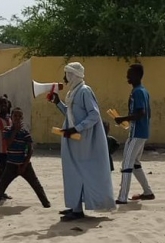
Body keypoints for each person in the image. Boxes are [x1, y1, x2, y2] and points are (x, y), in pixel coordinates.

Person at [51, 62, 115, 221]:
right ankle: (75, 206)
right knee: (72, 172)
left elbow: (94, 115)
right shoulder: (73, 93)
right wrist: (58, 102)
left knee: (80, 171)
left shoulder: (85, 91)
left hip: (84, 141)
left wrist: (77, 129)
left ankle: (78, 210)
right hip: (73, 140)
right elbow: (70, 114)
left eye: (66, 74)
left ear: (73, 75)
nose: (64, 78)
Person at [0, 107, 51, 208]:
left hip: (25, 165)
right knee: (1, 186)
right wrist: (15, 131)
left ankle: (46, 204)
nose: (17, 118)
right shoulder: (7, 130)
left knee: (36, 185)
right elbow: (8, 145)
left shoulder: (25, 132)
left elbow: (30, 149)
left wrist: (24, 165)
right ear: (11, 117)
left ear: (22, 118)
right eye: (15, 116)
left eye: (19, 116)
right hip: (11, 165)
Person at [114, 63, 155, 204]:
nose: (127, 76)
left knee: (127, 163)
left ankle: (122, 197)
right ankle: (148, 192)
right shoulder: (142, 91)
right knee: (135, 163)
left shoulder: (138, 92)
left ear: (137, 75)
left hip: (137, 133)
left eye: (130, 74)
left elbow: (141, 113)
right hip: (140, 132)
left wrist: (123, 119)